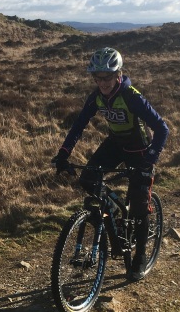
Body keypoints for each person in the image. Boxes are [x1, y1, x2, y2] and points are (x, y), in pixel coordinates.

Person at [52, 47, 169, 281]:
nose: (102, 82)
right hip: (115, 144)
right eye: (97, 77)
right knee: (87, 179)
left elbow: (162, 129)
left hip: (139, 149)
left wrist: (150, 159)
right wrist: (63, 154)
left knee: (139, 205)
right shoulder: (96, 96)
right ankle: (114, 210)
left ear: (118, 74)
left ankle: (140, 256)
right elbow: (79, 125)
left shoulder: (131, 96)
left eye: (107, 77)